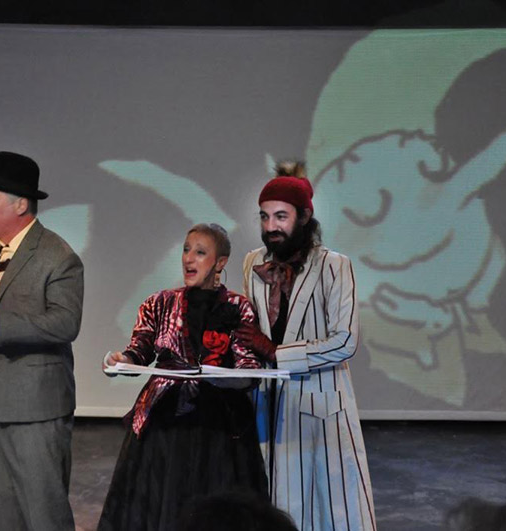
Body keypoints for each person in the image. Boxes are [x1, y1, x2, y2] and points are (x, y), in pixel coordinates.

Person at [99, 223, 268, 531]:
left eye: (200, 252)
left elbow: (248, 366)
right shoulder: (160, 303)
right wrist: (123, 360)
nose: (189, 258)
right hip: (166, 421)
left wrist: (226, 378)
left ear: (220, 262)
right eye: (187, 250)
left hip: (218, 425)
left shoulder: (237, 307)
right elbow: (139, 349)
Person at [238, 161, 376, 530]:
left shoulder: (334, 266)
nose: (271, 226)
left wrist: (276, 352)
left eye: (281, 216)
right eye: (265, 216)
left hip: (320, 407)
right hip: (269, 405)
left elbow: (344, 340)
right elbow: (249, 326)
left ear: (304, 217)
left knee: (332, 507)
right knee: (276, 503)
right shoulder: (253, 263)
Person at [0, 151, 84, 530]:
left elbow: (66, 322)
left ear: (20, 204)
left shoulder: (57, 256)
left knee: (43, 512)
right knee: (2, 510)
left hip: (36, 405)